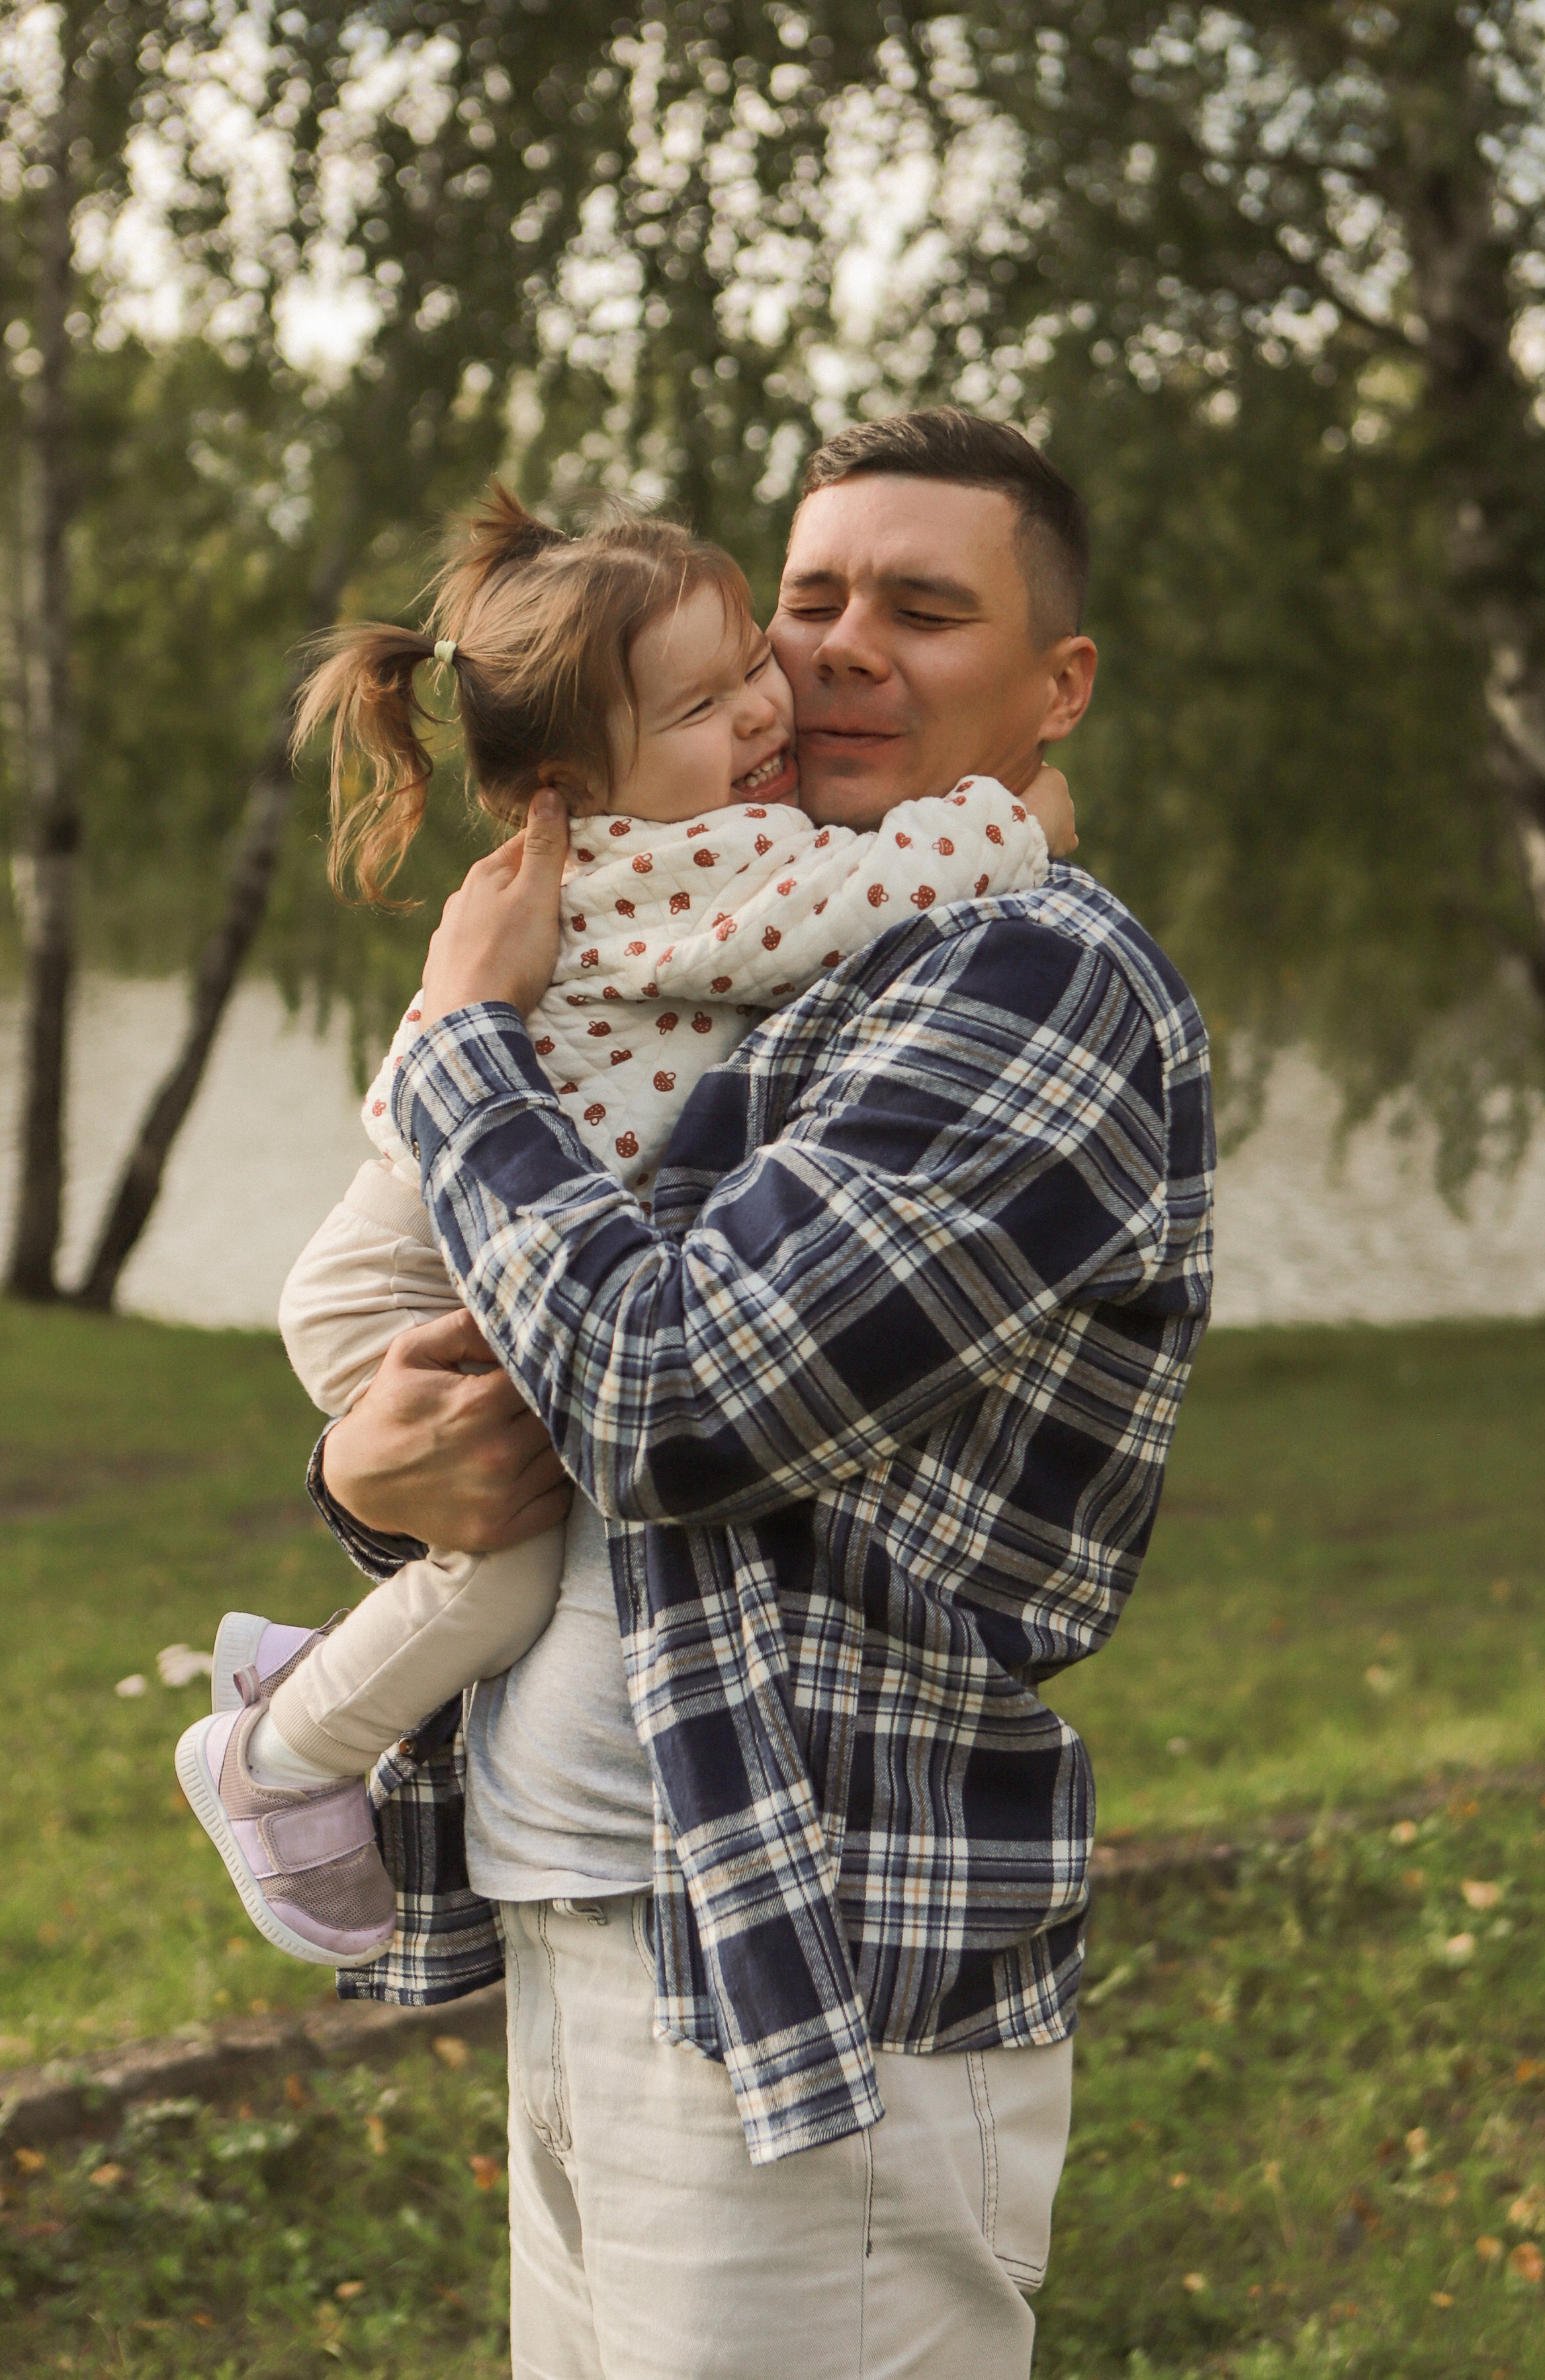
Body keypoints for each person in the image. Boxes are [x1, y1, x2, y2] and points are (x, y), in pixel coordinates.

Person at [309, 409, 1213, 2380]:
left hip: (818, 1962)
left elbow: (668, 1399)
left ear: (1057, 682)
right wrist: (375, 1478)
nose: (842, 649)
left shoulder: (1029, 980)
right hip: (597, 1902)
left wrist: (466, 1038)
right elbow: (528, 1359)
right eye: (811, 600)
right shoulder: (773, 943)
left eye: (926, 606)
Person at [173, 485, 1074, 1969]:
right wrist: (1015, 816)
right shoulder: (677, 870)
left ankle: (306, 1674)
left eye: (743, 675)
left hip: (433, 1248)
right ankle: (274, 1759)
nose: (768, 713)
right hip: (407, 1263)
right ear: (571, 785)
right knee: (507, 1564)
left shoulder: (718, 844)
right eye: (705, 703)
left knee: (500, 1531)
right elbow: (863, 892)